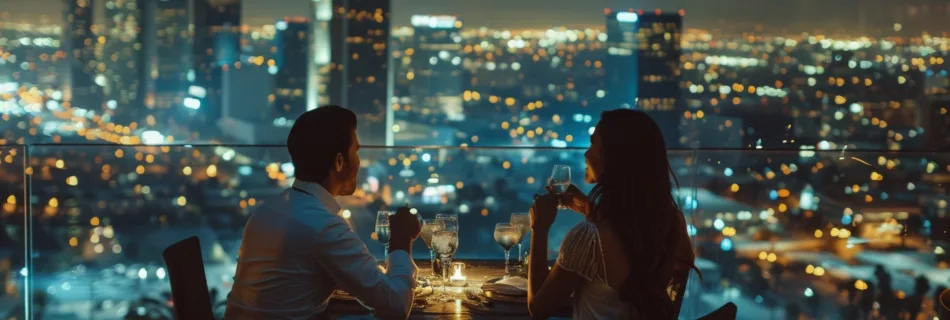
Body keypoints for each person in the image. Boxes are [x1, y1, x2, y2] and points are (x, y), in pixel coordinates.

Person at [225, 106, 421, 320]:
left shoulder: (269, 209)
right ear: (339, 161)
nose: (358, 163)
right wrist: (401, 240)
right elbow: (396, 307)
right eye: (355, 151)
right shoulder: (323, 225)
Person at [526, 109, 697, 319]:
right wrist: (590, 209)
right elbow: (630, 239)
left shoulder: (587, 237)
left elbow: (538, 308)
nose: (586, 154)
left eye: (592, 145)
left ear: (612, 157)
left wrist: (540, 228)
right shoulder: (671, 221)